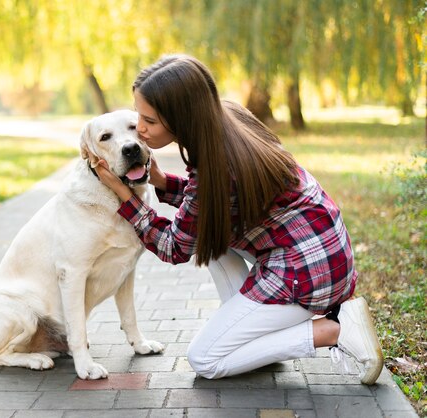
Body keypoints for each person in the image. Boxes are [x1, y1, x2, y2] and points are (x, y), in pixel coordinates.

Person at [90, 54, 384, 384]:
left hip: (307, 273)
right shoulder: (227, 119)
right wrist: (160, 182)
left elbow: (175, 247)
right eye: (137, 116)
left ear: (182, 119)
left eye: (149, 121)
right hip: (321, 250)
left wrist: (127, 198)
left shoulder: (217, 166)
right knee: (211, 236)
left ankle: (334, 330)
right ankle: (250, 335)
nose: (140, 130)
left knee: (206, 359)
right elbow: (210, 209)